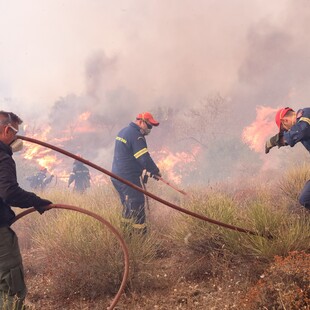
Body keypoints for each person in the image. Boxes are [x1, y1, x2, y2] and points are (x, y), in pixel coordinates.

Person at [0, 111, 53, 309]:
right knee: (10, 286)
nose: (17, 138)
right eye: (15, 133)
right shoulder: (3, 157)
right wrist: (36, 201)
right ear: (7, 130)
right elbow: (9, 192)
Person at [111, 112, 162, 235]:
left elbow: (128, 157)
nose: (150, 129)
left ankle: (126, 235)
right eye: (149, 126)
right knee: (137, 204)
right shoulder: (136, 136)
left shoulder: (123, 131)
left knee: (127, 205)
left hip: (117, 176)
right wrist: (155, 171)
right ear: (141, 122)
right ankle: (140, 238)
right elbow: (143, 158)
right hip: (128, 178)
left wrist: (143, 170)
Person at [265, 106, 310, 210]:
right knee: (305, 199)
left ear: (284, 120)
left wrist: (274, 141)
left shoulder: (306, 114)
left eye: (285, 128)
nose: (287, 130)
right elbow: (293, 134)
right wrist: (276, 140)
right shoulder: (300, 125)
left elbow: (300, 131)